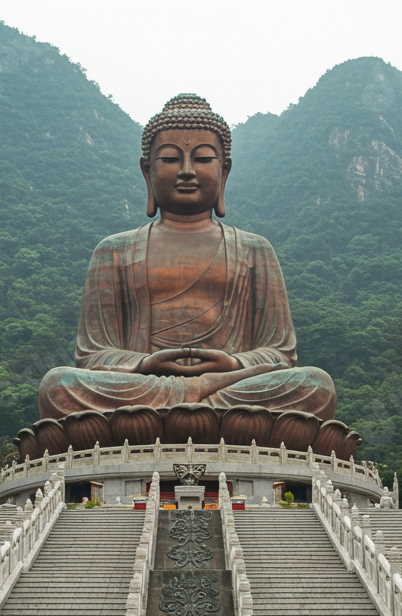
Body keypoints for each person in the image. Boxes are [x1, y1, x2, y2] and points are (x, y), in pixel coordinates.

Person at [37, 94, 336, 421]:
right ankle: (197, 413)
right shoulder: (114, 250)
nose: (187, 171)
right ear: (146, 170)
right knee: (59, 386)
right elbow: (92, 356)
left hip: (227, 387)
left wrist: (234, 364)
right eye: (170, 159)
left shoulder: (255, 249)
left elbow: (281, 354)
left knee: (315, 385)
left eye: (204, 159)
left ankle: (180, 414)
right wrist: (143, 363)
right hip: (145, 387)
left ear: (225, 171)